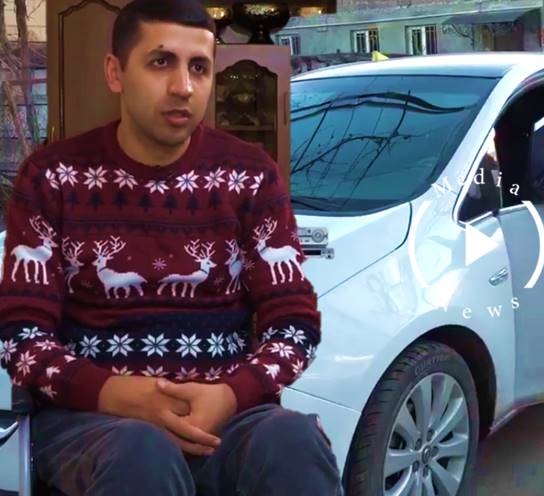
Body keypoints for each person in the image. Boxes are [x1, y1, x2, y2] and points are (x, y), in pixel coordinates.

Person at [0, 0, 341, 494]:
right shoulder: (52, 177)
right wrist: (112, 393)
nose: (183, 86)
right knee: (141, 452)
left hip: (225, 417)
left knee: (294, 441)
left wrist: (230, 395)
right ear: (115, 73)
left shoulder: (250, 175)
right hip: (92, 423)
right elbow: (20, 335)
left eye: (199, 67)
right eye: (161, 62)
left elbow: (295, 323)